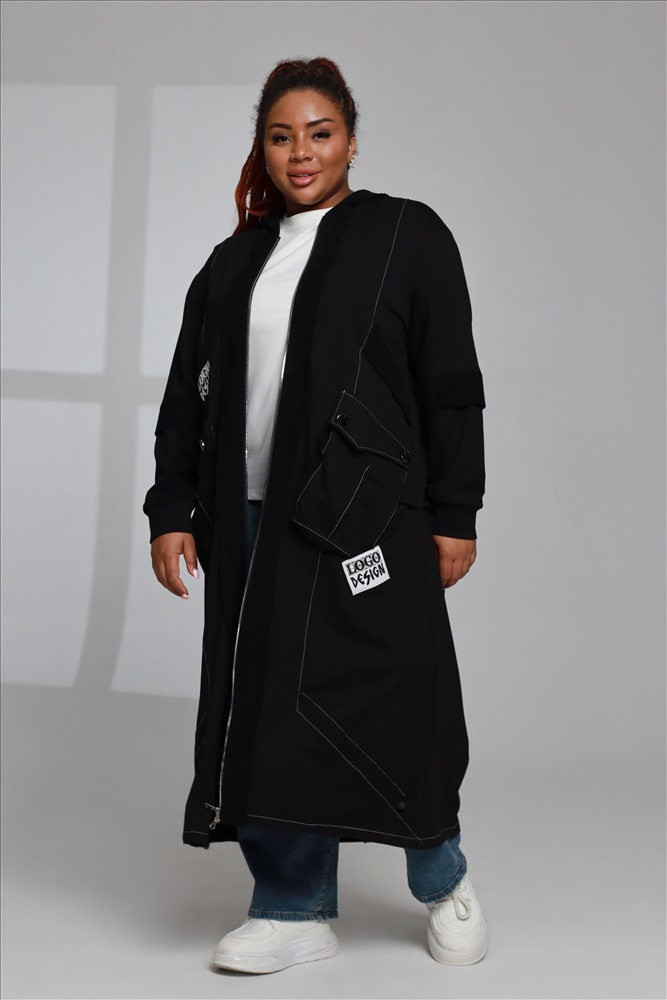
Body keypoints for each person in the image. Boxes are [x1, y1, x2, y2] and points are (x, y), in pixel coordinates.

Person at [144, 56, 489, 975]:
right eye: (281, 136)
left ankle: (442, 879)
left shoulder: (404, 234)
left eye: (320, 133)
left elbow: (449, 382)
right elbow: (184, 396)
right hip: (247, 517)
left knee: (399, 691)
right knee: (268, 704)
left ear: (350, 141)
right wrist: (172, 508)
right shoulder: (233, 262)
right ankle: (292, 905)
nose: (301, 152)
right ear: (263, 147)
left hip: (367, 515)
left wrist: (455, 512)